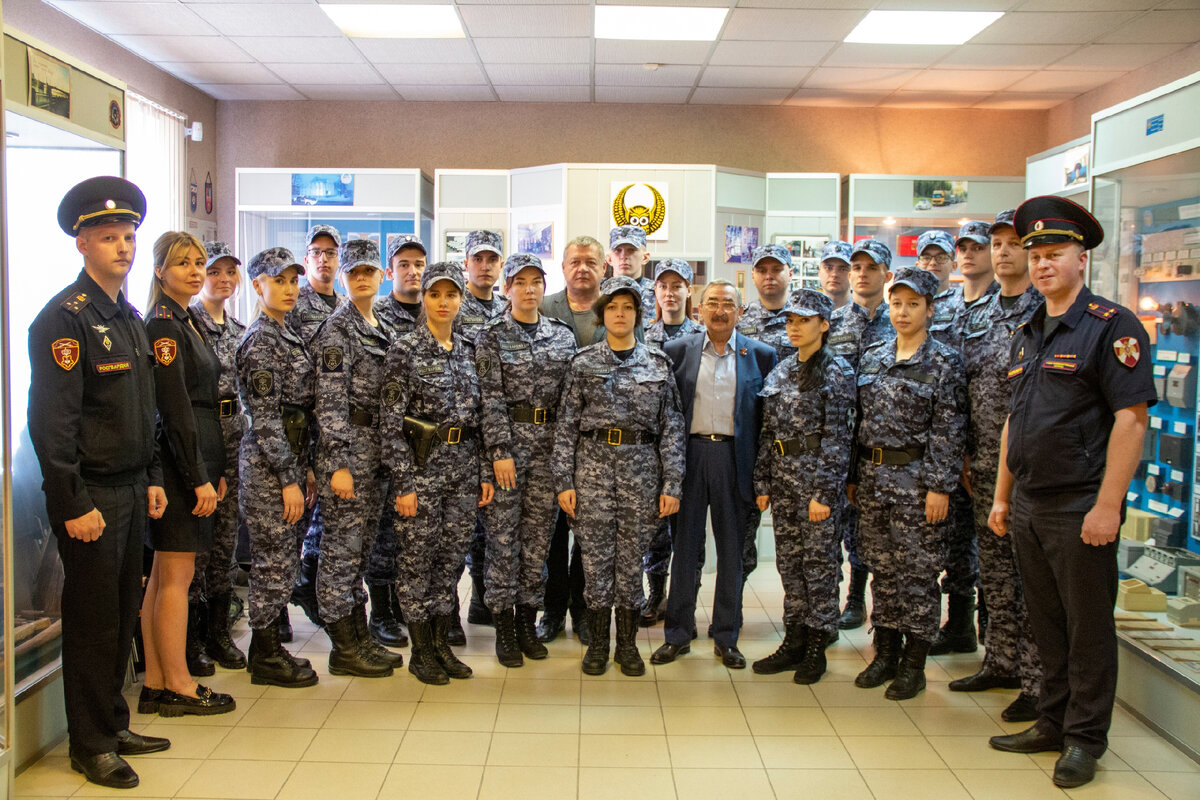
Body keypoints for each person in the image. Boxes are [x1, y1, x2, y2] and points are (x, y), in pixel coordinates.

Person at [988, 196, 1155, 789]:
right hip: (1030, 500)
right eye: (1035, 255)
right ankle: (1051, 721)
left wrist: (1108, 504)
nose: (1041, 265)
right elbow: (1016, 417)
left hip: (1081, 503)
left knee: (1087, 628)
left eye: (1054, 254)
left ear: (1081, 259)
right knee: (1046, 622)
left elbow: (1132, 420)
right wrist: (1003, 495)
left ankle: (1085, 740)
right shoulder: (1028, 330)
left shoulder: (1111, 327)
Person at [28, 176, 170, 789]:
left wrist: (156, 476)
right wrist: (72, 503)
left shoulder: (129, 317)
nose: (123, 247)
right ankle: (89, 744)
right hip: (92, 497)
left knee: (121, 613)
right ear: (81, 244)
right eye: (108, 237)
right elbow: (51, 428)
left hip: (134, 488)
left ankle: (113, 721)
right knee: (92, 622)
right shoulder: (64, 321)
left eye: (129, 236)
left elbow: (145, 413)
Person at [555, 276, 686, 676]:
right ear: (601, 314)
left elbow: (673, 429)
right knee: (595, 563)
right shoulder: (583, 363)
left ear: (638, 314)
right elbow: (565, 426)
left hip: (641, 474)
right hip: (591, 474)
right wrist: (564, 481)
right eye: (612, 307)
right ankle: (597, 644)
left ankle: (627, 646)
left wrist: (672, 484)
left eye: (628, 308)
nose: (620, 314)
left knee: (631, 564)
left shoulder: (659, 364)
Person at [849, 267, 967, 701]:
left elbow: (949, 429)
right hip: (875, 481)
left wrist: (940, 486)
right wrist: (853, 479)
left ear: (929, 309)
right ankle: (885, 652)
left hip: (918, 484)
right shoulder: (875, 356)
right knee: (882, 570)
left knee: (917, 575)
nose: (902, 312)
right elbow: (858, 423)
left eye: (912, 304)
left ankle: (914, 664)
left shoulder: (944, 362)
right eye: (896, 303)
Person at [651, 279, 776, 670]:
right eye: (712, 304)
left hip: (735, 458)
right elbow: (665, 415)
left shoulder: (761, 355)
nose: (720, 310)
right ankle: (677, 634)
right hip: (689, 456)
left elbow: (767, 422)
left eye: (729, 304)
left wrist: (763, 479)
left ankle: (726, 636)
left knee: (732, 553)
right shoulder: (676, 352)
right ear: (698, 310)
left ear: (741, 312)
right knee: (685, 550)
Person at [381, 261, 494, 685]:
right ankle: (421, 649)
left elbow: (481, 417)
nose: (443, 303)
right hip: (422, 471)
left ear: (461, 299)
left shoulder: (469, 350)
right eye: (435, 295)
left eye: (451, 295)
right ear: (423, 299)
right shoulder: (404, 350)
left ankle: (441, 643)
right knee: (417, 561)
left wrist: (483, 471)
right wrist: (404, 484)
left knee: (450, 561)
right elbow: (390, 424)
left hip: (463, 472)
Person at [139, 232, 235, 719]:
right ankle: (178, 683)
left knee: (163, 575)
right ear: (160, 272)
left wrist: (210, 469)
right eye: (183, 263)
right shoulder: (163, 327)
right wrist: (197, 476)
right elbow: (174, 410)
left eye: (200, 262)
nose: (197, 271)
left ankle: (157, 680)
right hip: (181, 463)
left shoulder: (186, 318)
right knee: (177, 575)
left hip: (197, 456)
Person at [953, 210, 1043, 723]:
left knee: (1030, 575)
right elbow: (965, 390)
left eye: (1013, 244)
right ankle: (1002, 659)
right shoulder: (978, 313)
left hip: (1030, 465)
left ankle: (1036, 679)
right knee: (997, 572)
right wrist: (966, 452)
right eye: (999, 243)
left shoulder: (1044, 312)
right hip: (984, 464)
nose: (1005, 252)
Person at [476, 253, 576, 666]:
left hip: (548, 453)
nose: (529, 289)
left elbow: (571, 404)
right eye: (521, 282)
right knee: (503, 542)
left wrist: (563, 461)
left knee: (536, 545)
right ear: (507, 288)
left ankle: (526, 625)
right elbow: (488, 398)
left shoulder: (563, 336)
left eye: (536, 282)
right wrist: (499, 451)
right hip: (509, 453)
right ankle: (503, 630)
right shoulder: (490, 335)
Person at [752, 289, 855, 683]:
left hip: (815, 483)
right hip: (783, 482)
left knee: (819, 565)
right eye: (791, 320)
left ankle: (817, 643)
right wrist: (763, 480)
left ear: (824, 325)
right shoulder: (781, 369)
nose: (794, 327)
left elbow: (837, 437)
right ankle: (794, 637)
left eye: (804, 320)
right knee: (790, 564)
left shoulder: (836, 371)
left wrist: (824, 495)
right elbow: (768, 430)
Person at [311, 239, 399, 678]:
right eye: (353, 273)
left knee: (360, 551)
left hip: (376, 454)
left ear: (381, 275)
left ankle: (360, 637)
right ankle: (343, 647)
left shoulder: (380, 324)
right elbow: (329, 403)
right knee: (341, 553)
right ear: (343, 279)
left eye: (369, 271)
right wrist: (338, 464)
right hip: (349, 454)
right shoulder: (336, 330)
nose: (362, 279)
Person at [238, 247, 320, 689]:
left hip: (290, 463)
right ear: (258, 284)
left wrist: (304, 470)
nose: (289, 289)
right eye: (279, 281)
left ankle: (268, 647)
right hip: (269, 469)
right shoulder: (260, 340)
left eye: (293, 280)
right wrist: (289, 478)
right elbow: (266, 419)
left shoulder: (287, 334)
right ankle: (265, 652)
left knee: (284, 557)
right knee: (272, 561)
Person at [537, 236, 608, 644]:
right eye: (575, 262)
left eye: (591, 262)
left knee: (587, 532)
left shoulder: (615, 309)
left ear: (604, 269)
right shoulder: (545, 308)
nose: (583, 268)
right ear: (563, 268)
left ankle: (582, 611)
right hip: (549, 441)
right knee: (551, 532)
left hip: (596, 445)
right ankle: (552, 610)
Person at [915, 228, 979, 656]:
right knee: (947, 537)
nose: (935, 263)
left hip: (982, 441)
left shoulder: (991, 306)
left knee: (975, 541)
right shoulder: (939, 310)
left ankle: (973, 623)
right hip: (935, 446)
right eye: (928, 257)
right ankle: (955, 625)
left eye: (943, 257)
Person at [827, 239, 895, 632]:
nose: (863, 274)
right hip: (838, 442)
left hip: (879, 442)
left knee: (868, 529)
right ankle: (835, 600)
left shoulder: (899, 321)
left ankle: (859, 598)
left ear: (886, 274)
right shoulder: (833, 324)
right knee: (835, 525)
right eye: (857, 267)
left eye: (872, 267)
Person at [187, 241, 247, 673]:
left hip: (233, 443)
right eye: (215, 271)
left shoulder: (240, 330)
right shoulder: (186, 326)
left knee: (226, 543)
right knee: (197, 549)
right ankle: (189, 642)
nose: (223, 279)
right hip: (201, 441)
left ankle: (218, 633)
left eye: (230, 272)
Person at [366, 234, 426, 647]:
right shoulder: (378, 315)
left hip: (427, 441)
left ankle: (409, 606)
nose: (413, 272)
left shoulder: (437, 310)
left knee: (415, 529)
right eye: (404, 264)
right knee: (386, 530)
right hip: (387, 437)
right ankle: (382, 611)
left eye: (419, 264)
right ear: (390, 272)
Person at [287, 224, 344, 634]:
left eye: (331, 252)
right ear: (307, 259)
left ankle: (309, 586)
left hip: (333, 429)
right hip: (298, 428)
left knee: (325, 519)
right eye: (316, 252)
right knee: (293, 521)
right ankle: (278, 612)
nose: (324, 259)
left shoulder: (345, 308)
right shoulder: (293, 304)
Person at [640, 257, 703, 626]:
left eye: (676, 285)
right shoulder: (644, 337)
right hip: (650, 449)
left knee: (688, 532)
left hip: (691, 447)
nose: (669, 292)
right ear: (655, 292)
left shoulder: (701, 336)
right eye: (662, 286)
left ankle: (686, 601)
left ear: (687, 291)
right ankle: (656, 595)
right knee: (655, 531)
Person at [458, 230, 508, 632]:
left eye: (492, 259)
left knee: (491, 520)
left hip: (498, 424)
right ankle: (460, 607)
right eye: (479, 259)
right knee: (464, 525)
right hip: (462, 425)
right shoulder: (453, 306)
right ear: (466, 264)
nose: (486, 266)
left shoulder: (507, 309)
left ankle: (483, 600)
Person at [606, 225, 656, 319]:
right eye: (618, 250)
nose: (624, 256)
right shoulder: (600, 293)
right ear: (609, 259)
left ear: (645, 258)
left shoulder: (657, 294)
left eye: (631, 250)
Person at [817, 240, 853, 310]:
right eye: (828, 268)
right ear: (819, 272)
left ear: (852, 274)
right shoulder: (807, 312)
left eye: (842, 269)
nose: (834, 274)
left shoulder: (864, 313)